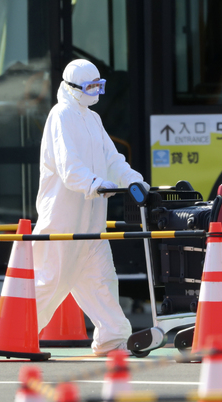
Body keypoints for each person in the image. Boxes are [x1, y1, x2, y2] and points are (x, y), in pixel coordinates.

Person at [32, 59, 149, 356]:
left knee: (102, 281)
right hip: (63, 222)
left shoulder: (92, 118)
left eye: (100, 85)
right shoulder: (60, 116)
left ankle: (112, 340)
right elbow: (69, 168)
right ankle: (15, 331)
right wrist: (97, 184)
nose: (96, 91)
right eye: (91, 86)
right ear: (72, 88)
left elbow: (112, 159)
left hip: (91, 223)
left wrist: (132, 180)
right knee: (49, 285)